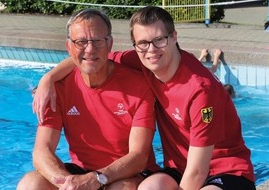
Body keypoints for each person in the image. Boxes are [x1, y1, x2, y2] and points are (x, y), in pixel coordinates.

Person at [33, 6, 256, 190]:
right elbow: (89, 56)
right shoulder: (141, 61)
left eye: (159, 40)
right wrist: (48, 78)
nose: (151, 50)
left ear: (174, 37)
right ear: (136, 46)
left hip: (224, 170)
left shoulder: (200, 91)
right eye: (143, 43)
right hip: (178, 168)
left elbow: (197, 172)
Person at [17, 9, 160, 190]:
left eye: (98, 41)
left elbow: (138, 157)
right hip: (81, 172)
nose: (90, 49)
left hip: (127, 174)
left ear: (109, 44)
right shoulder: (57, 88)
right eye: (81, 42)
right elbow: (41, 152)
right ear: (69, 47)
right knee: (30, 184)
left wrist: (97, 179)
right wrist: (67, 183)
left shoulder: (138, 86)